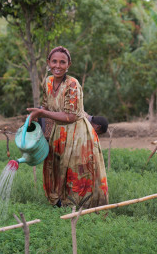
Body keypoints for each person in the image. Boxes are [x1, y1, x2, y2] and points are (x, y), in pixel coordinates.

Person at [27, 46, 109, 208]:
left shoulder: (73, 84)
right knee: (55, 168)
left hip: (78, 134)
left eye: (62, 62)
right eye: (54, 61)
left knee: (77, 171)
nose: (58, 65)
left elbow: (70, 116)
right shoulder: (48, 82)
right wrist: (35, 115)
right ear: (48, 63)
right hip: (59, 132)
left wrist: (43, 114)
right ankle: (60, 205)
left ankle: (82, 210)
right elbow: (46, 108)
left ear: (69, 64)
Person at [38, 113, 108, 141]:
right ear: (98, 127)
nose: (95, 134)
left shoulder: (84, 116)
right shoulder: (83, 122)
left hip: (43, 118)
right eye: (98, 133)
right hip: (42, 122)